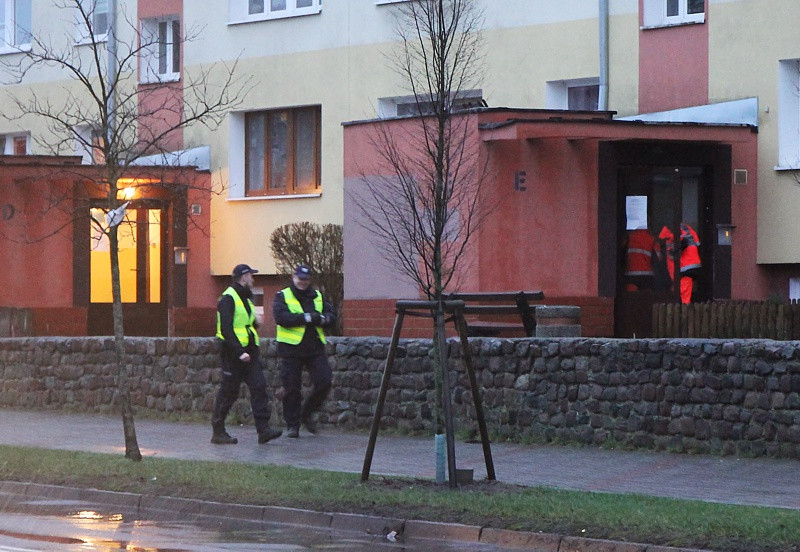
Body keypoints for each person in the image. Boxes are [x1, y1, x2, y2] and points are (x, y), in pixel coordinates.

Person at [211, 264, 282, 445]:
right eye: (251, 275)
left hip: (250, 352)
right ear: (244, 277)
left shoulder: (246, 299)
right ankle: (218, 431)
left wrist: (256, 323)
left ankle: (263, 430)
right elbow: (226, 329)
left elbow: (247, 324)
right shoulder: (228, 299)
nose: (253, 279)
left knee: (259, 387)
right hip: (233, 353)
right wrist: (239, 352)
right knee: (229, 393)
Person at [272, 264, 335, 438]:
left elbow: (331, 317)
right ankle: (293, 425)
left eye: (306, 279)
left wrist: (322, 319)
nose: (302, 282)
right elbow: (282, 318)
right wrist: (307, 318)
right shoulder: (282, 296)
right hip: (291, 349)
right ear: (294, 277)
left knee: (325, 381)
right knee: (292, 388)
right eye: (300, 278)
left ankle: (306, 414)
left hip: (314, 348)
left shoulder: (318, 296)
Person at [658, 223, 702, 304]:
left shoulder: (674, 235)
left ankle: (684, 311)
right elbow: (698, 244)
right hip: (691, 265)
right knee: (684, 291)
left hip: (686, 267)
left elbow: (674, 252)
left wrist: (671, 252)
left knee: (684, 293)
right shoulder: (688, 230)